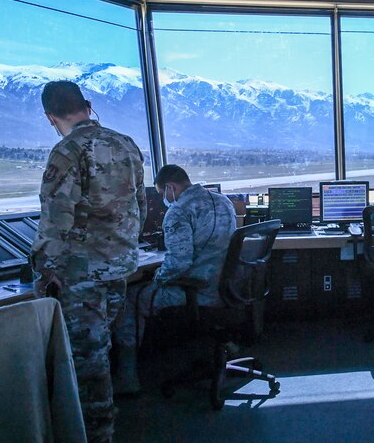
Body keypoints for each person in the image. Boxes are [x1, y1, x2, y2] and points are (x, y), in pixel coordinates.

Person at [32, 81, 146, 443]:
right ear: (89, 105)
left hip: (82, 276)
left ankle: (98, 434)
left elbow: (55, 218)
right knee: (101, 347)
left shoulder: (67, 151)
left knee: (87, 360)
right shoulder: (127, 144)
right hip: (120, 267)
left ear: (50, 118)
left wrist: (44, 270)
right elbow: (140, 206)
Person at [112, 164, 236, 395]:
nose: (164, 199)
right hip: (227, 289)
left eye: (162, 194)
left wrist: (157, 279)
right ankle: (226, 344)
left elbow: (178, 264)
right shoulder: (224, 201)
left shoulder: (179, 212)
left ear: (171, 187)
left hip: (197, 292)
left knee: (130, 298)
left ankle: (127, 376)